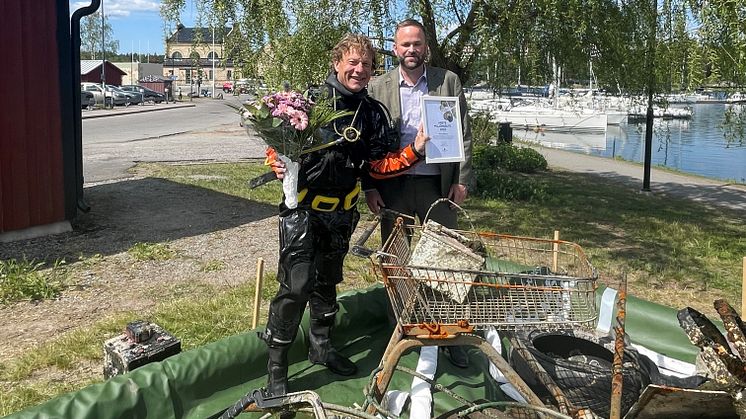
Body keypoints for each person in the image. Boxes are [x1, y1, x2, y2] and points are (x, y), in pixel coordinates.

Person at [260, 33, 430, 398]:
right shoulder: (307, 103)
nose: (359, 70)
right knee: (296, 287)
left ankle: (321, 347)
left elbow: (378, 166)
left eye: (366, 64)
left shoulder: (371, 113)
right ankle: (276, 369)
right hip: (302, 210)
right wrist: (275, 162)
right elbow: (277, 146)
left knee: (327, 282)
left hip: (342, 212)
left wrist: (414, 151)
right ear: (337, 63)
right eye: (352, 62)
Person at [367, 19, 474, 368]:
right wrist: (369, 186)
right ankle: (396, 330)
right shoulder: (378, 86)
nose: (411, 50)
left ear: (426, 46)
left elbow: (466, 135)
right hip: (393, 187)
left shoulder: (447, 81)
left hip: (436, 184)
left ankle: (450, 334)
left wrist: (462, 179)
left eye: (417, 43)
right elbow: (368, 144)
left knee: (446, 262)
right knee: (395, 262)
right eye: (404, 45)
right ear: (395, 49)